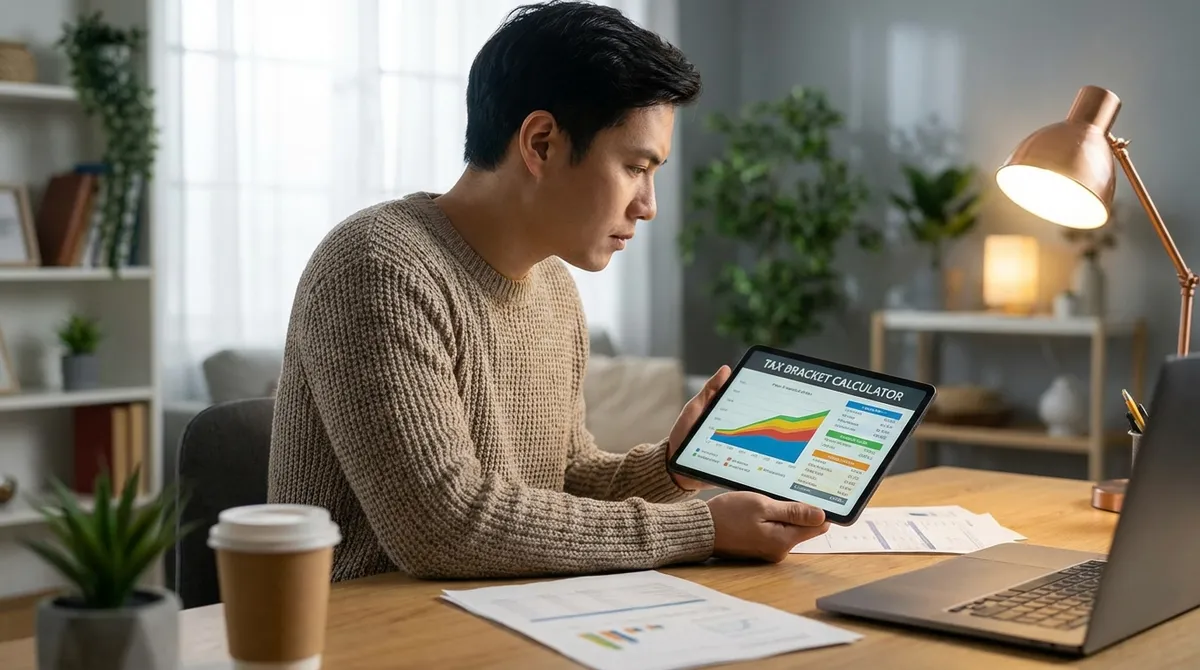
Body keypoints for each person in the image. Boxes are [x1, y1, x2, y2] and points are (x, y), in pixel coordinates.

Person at [267, 0, 830, 582]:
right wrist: (702, 527)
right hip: (370, 634)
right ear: (540, 144)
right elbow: (444, 526)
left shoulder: (554, 287)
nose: (649, 205)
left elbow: (564, 476)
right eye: (636, 167)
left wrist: (670, 467)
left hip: (510, 615)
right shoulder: (376, 266)